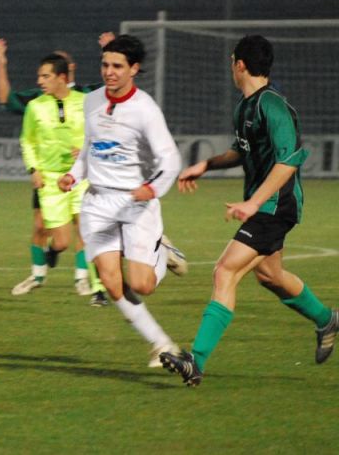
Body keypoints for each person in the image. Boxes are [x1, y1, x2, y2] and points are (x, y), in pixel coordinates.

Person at [160, 35, 338, 386]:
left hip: (276, 206)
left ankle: (196, 361)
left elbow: (288, 161)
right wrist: (206, 165)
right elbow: (241, 152)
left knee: (224, 270)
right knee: (270, 275)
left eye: (232, 61)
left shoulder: (274, 106)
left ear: (240, 64)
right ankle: (326, 319)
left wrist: (254, 203)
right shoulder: (245, 106)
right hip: (264, 206)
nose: (231, 66)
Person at [58, 34, 182, 367]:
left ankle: (163, 250)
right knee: (112, 283)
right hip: (97, 203)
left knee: (141, 284)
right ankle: (161, 344)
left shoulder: (145, 109)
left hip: (136, 203)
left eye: (117, 66)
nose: (109, 72)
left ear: (134, 69)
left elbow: (170, 159)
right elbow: (89, 148)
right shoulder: (91, 101)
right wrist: (73, 174)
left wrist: (152, 189)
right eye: (105, 65)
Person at [10, 52, 110, 306]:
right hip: (51, 181)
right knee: (62, 241)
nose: (40, 81)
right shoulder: (35, 107)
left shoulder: (85, 102)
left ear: (62, 77)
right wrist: (34, 170)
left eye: (46, 76)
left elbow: (100, 133)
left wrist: (87, 149)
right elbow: (27, 140)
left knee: (87, 230)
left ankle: (98, 289)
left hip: (80, 176)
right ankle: (53, 252)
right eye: (40, 76)